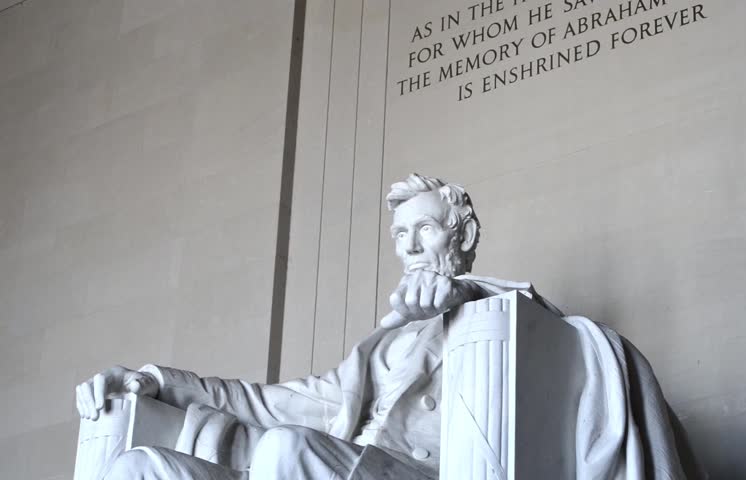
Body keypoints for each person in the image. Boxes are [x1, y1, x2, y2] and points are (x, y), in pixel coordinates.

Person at [76, 174, 701, 479]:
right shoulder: (380, 350)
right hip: (334, 465)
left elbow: (548, 361)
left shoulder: (514, 324)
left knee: (285, 450)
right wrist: (152, 381)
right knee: (139, 467)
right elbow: (266, 401)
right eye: (400, 236)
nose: (409, 248)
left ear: (464, 237)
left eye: (424, 230)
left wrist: (463, 299)